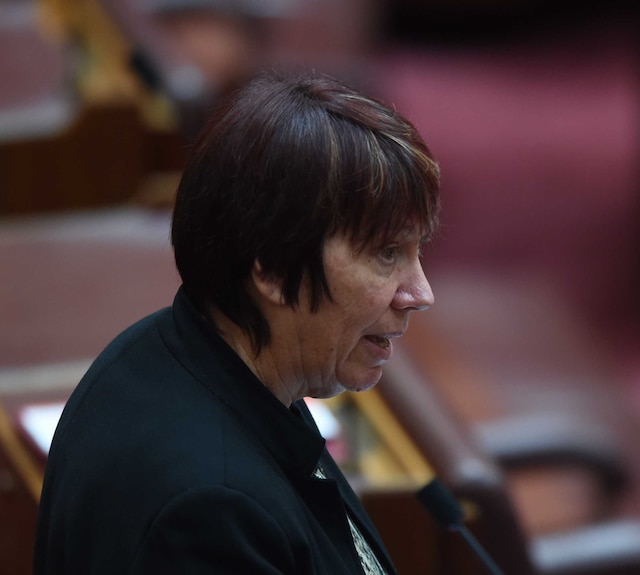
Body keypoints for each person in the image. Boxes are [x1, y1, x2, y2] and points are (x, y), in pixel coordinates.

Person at [34, 70, 440, 575]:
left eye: (417, 250)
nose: (420, 294)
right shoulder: (207, 514)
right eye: (385, 253)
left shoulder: (173, 353)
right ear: (270, 267)